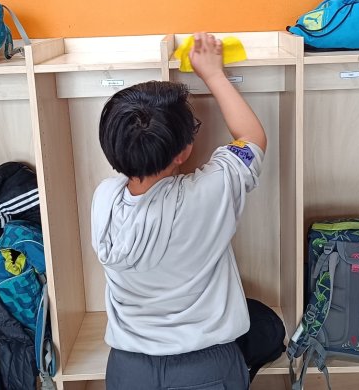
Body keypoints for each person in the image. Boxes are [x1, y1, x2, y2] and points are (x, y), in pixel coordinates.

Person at [92, 32, 267, 390]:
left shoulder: (104, 200)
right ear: (184, 152)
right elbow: (252, 139)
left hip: (128, 371)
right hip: (206, 368)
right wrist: (213, 74)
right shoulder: (210, 192)